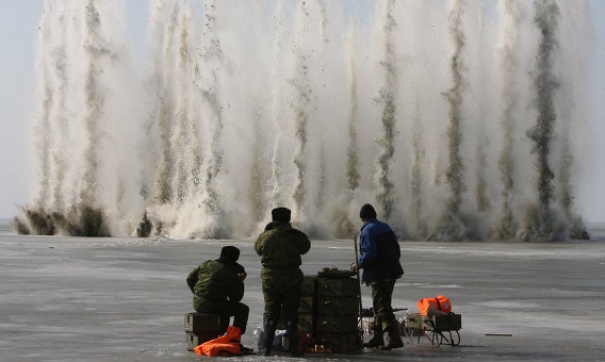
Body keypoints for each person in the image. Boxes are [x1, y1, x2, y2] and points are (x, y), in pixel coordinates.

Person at [254, 207, 311, 357]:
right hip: (292, 278)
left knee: (270, 312)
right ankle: (294, 350)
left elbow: (258, 249)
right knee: (291, 314)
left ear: (273, 219)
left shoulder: (265, 236)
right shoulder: (296, 236)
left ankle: (266, 349)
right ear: (289, 218)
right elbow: (306, 247)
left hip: (270, 279)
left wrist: (266, 231)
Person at [351, 203, 404, 350]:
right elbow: (396, 249)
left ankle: (395, 338)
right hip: (392, 271)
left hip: (380, 273)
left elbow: (370, 254)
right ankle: (377, 337)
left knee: (381, 306)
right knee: (380, 303)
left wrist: (358, 264)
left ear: (362, 218)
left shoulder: (368, 230)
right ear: (375, 215)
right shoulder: (385, 227)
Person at [186, 246, 252, 351]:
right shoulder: (228, 273)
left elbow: (190, 279)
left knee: (224, 306)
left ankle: (219, 337)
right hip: (214, 305)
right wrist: (239, 281)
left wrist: (199, 294)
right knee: (243, 310)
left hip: (198, 302)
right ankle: (234, 342)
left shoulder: (205, 264)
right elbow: (236, 298)